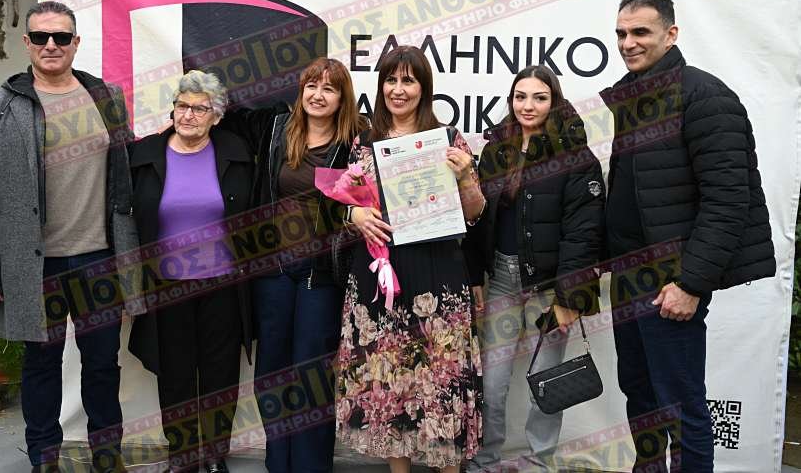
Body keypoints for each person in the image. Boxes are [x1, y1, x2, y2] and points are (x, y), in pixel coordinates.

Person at [0, 0, 141, 473]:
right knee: (40, 366)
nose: (51, 45)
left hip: (100, 259)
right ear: (27, 43)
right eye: (41, 37)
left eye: (61, 36)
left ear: (76, 42)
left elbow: (127, 175)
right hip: (34, 265)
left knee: (103, 364)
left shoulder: (107, 97)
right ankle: (44, 457)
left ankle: (107, 455)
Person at [602, 0, 775, 472]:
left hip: (670, 282)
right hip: (629, 279)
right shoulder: (632, 98)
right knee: (640, 395)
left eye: (641, 32)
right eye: (621, 33)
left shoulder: (705, 96)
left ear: (671, 34)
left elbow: (729, 201)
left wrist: (691, 283)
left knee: (680, 404)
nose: (629, 43)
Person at [335, 45, 486, 473]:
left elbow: (475, 212)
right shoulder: (363, 143)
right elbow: (340, 206)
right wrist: (353, 215)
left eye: (408, 80)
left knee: (441, 380)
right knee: (390, 383)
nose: (398, 90)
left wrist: (464, 175)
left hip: (437, 274)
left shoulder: (448, 139)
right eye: (391, 80)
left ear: (424, 87)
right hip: (380, 276)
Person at [219, 57, 367, 473]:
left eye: (329, 89)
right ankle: (277, 463)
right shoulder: (276, 129)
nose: (318, 95)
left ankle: (310, 465)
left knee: (311, 371)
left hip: (322, 272)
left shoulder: (355, 143)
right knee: (272, 372)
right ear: (300, 92)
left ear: (342, 98)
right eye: (311, 86)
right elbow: (221, 115)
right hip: (274, 270)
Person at [462, 65, 605, 472]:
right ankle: (485, 459)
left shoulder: (576, 156)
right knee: (491, 380)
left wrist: (569, 297)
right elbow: (478, 220)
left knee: (547, 381)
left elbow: (584, 234)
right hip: (502, 280)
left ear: (554, 101)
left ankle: (539, 462)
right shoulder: (496, 151)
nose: (528, 105)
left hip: (550, 286)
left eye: (539, 97)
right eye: (520, 96)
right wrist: (474, 275)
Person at [127, 70, 254, 473]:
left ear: (217, 116)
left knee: (220, 373)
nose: (189, 115)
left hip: (222, 285)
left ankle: (214, 455)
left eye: (200, 109)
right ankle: (181, 455)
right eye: (182, 105)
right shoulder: (145, 155)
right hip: (166, 285)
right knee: (175, 374)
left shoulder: (236, 152)